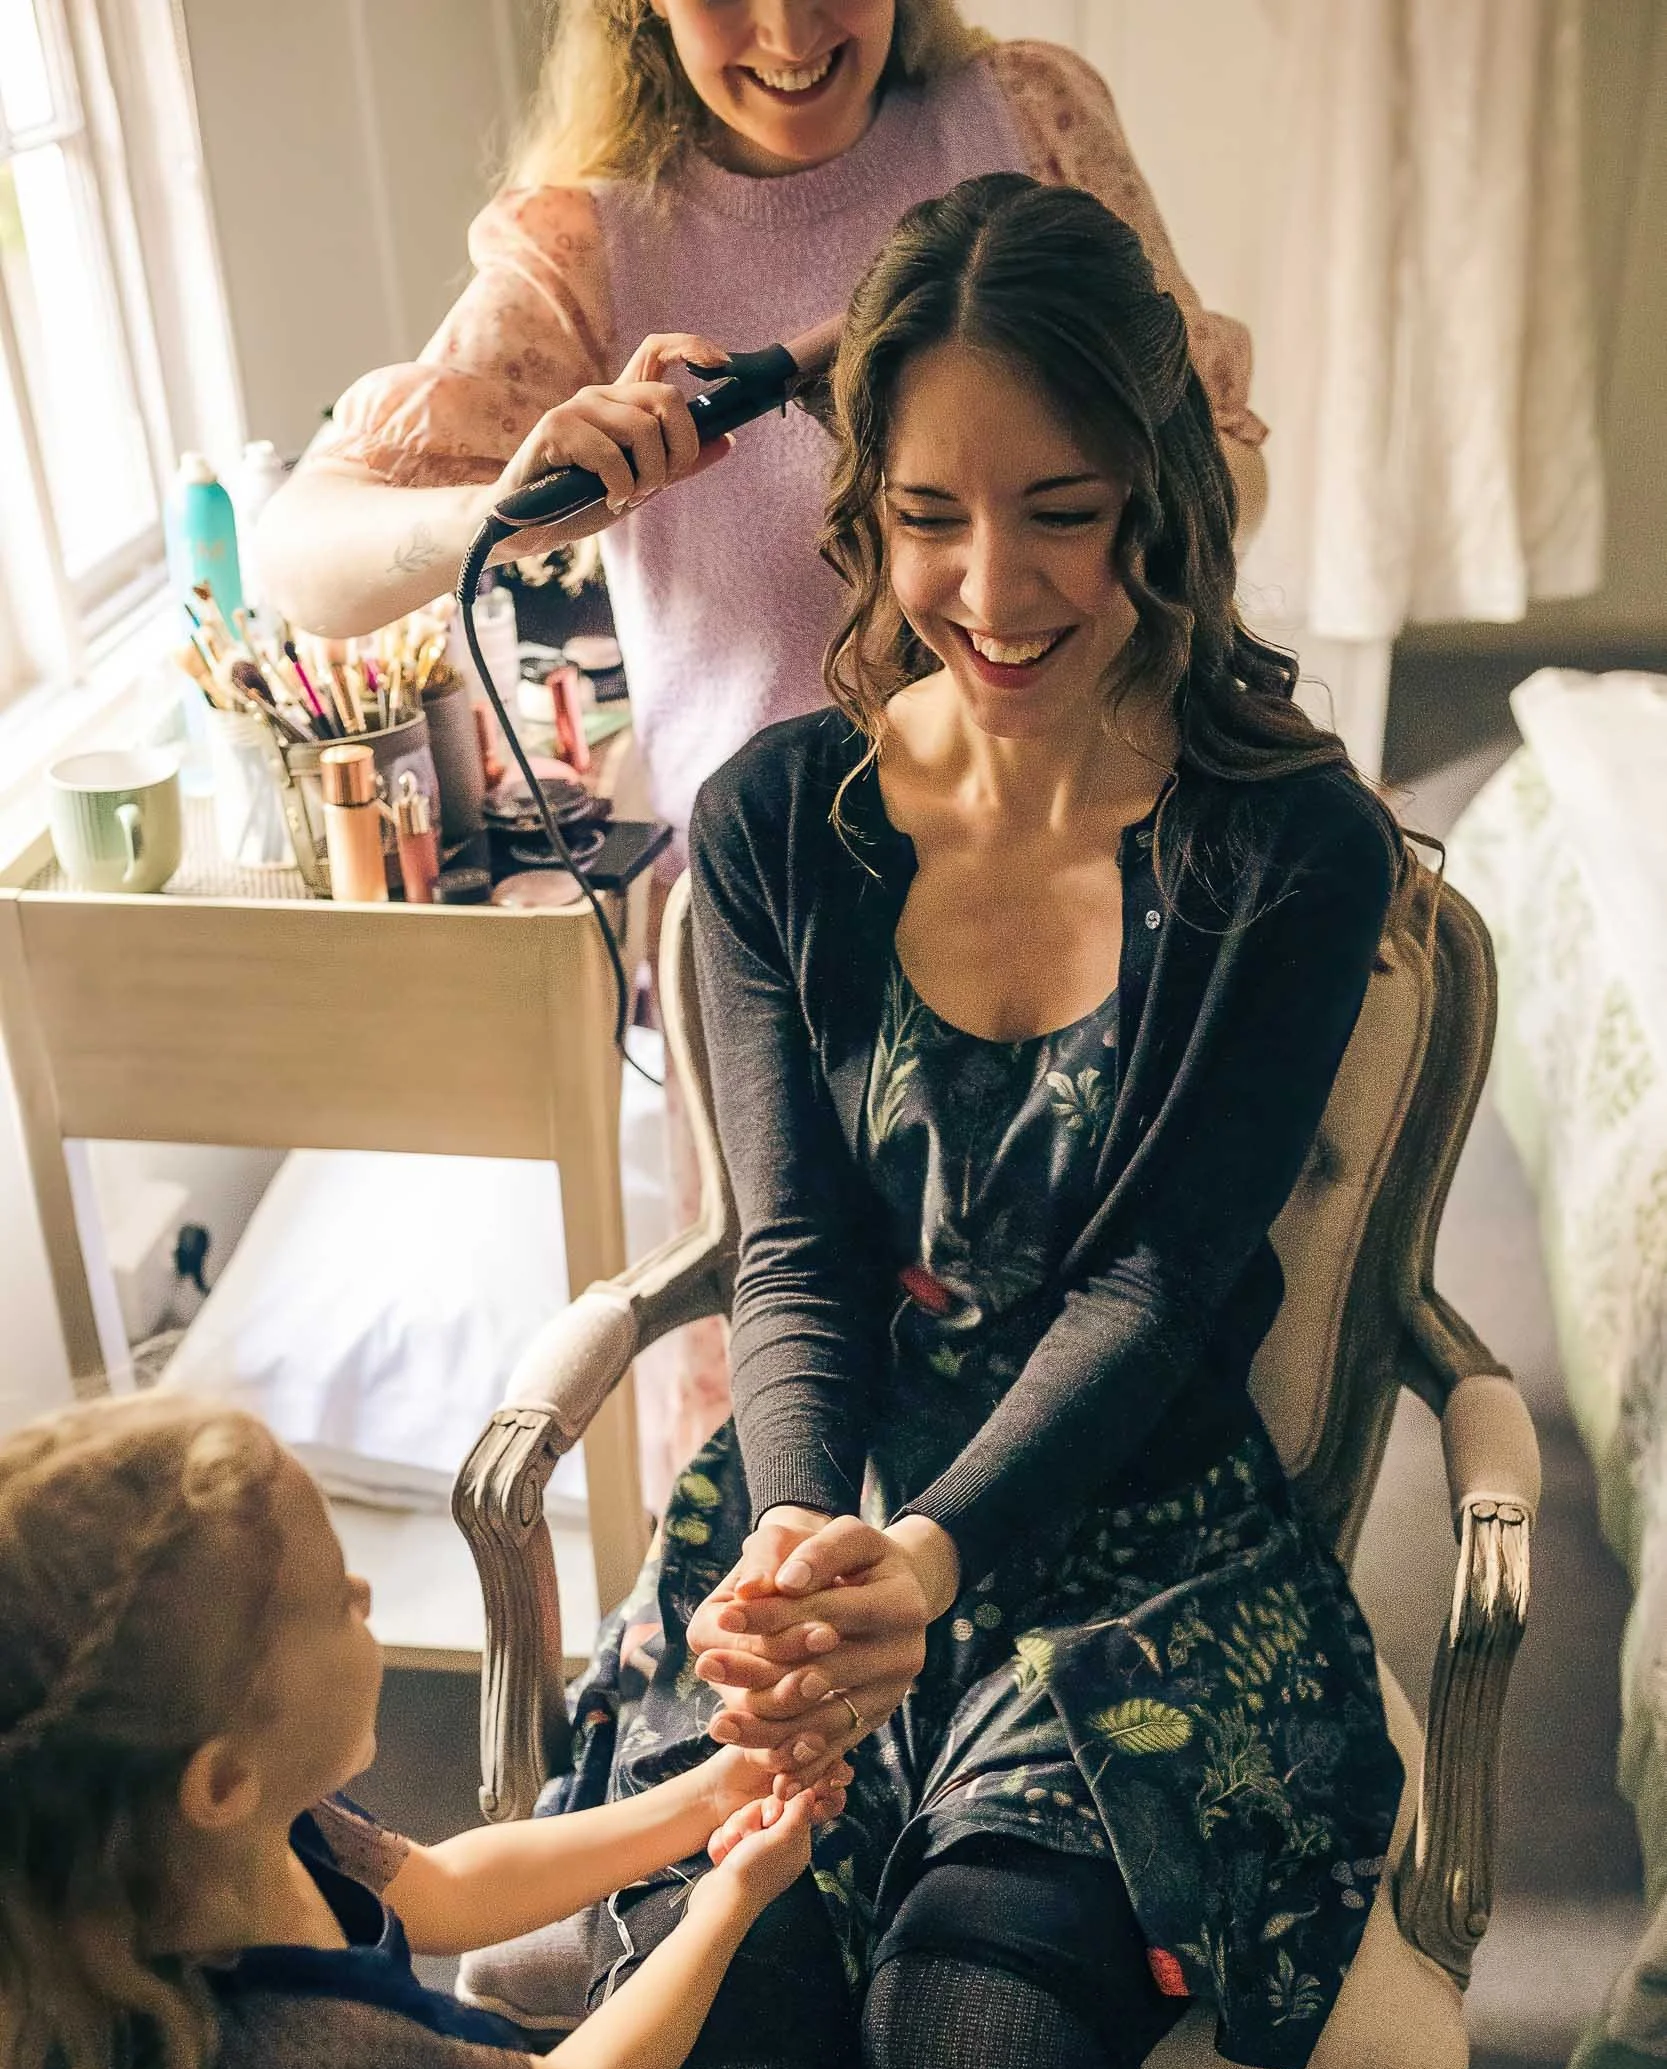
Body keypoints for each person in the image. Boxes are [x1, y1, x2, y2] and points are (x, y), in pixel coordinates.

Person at [461, 174, 1408, 2069]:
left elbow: (1166, 1286)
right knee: (705, 2009)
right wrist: (802, 1554)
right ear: (859, 512)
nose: (993, 592)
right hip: (823, 1518)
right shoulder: (783, 821)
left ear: (1160, 500)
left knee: (967, 2038)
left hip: (1147, 1538)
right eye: (928, 520)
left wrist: (938, 1570)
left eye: (1064, 516)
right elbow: (788, 1264)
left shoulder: (1290, 850)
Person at [257, 0, 1270, 1473]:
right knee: (800, 1394)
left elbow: (1220, 469)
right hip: (780, 943)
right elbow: (307, 562)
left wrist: (1081, 479)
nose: (790, 28)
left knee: (1104, 1372)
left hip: (1076, 879)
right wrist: (515, 501)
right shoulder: (588, 239)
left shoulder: (1027, 118)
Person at [0, 1394, 846, 2069]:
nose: (364, 1592)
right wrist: (729, 1900)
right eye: (328, 1597)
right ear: (219, 1776)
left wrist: (704, 1794)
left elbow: (446, 1887)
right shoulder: (298, 2054)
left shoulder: (213, 1847)